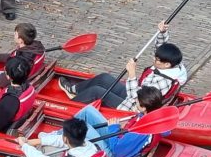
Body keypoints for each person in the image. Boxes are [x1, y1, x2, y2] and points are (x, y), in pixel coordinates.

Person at [59, 23, 187, 109]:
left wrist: (132, 74)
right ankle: (75, 90)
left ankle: (68, 107)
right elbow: (161, 49)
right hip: (135, 93)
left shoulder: (162, 82)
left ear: (167, 64)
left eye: (157, 59)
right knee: (104, 78)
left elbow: (137, 99)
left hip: (132, 107)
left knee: (97, 91)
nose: (154, 59)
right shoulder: (173, 65)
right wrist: (162, 33)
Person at [72, 85, 166, 157]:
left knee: (82, 127)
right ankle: (65, 133)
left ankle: (66, 137)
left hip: (113, 154)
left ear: (144, 107)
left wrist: (113, 127)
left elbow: (117, 151)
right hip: (119, 138)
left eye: (137, 100)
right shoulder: (151, 117)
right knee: (88, 111)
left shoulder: (140, 130)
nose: (135, 101)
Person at [0, 22, 46, 88]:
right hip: (29, 75)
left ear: (20, 40)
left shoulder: (18, 63)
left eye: (15, 34)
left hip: (17, 81)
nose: (14, 35)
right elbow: (13, 56)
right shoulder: (37, 47)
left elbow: (0, 82)